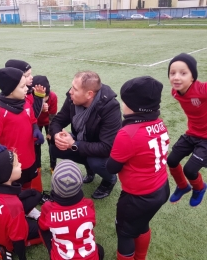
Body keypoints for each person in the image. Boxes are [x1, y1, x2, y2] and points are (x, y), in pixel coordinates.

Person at [106, 76, 170, 260]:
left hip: (138, 197)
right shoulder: (160, 124)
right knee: (142, 225)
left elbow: (111, 167)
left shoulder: (128, 133)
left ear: (132, 105)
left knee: (125, 232)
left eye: (124, 101)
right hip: (161, 188)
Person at [49, 71, 121, 199]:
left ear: (89, 94)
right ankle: (90, 168)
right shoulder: (72, 98)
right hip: (83, 140)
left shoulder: (110, 107)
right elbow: (58, 121)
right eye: (72, 87)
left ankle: (110, 179)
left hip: (105, 150)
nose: (70, 91)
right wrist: (56, 136)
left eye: (75, 89)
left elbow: (107, 147)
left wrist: (74, 144)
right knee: (55, 147)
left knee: (95, 161)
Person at [0, 67, 44, 190]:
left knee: (28, 183)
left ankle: (28, 208)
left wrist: (36, 129)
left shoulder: (26, 103)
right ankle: (20, 208)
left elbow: (33, 121)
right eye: (22, 87)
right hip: (15, 164)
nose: (27, 89)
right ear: (11, 90)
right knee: (17, 189)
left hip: (31, 157)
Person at [0, 150, 43, 260]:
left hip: (1, 228)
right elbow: (18, 238)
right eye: (17, 165)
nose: (20, 165)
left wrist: (31, 193)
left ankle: (6, 246)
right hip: (9, 239)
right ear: (7, 174)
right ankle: (7, 250)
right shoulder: (13, 206)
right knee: (48, 229)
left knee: (36, 195)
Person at [38, 159, 104, 260]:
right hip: (89, 256)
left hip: (61, 256)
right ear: (80, 185)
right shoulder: (88, 204)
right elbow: (92, 224)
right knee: (100, 250)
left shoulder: (48, 208)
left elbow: (42, 228)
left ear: (53, 185)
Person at [167, 53, 207, 207]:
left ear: (192, 77)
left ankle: (200, 188)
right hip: (192, 134)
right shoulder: (175, 92)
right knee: (171, 160)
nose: (176, 77)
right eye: (172, 73)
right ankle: (183, 186)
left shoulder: (202, 89)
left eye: (183, 73)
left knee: (190, 170)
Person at [32, 75, 58, 175]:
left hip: (49, 122)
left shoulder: (53, 96)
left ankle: (53, 166)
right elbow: (31, 115)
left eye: (45, 98)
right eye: (41, 98)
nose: (44, 100)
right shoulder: (30, 98)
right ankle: (37, 166)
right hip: (35, 122)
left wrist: (50, 132)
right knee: (35, 144)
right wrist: (39, 108)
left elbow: (52, 116)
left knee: (52, 143)